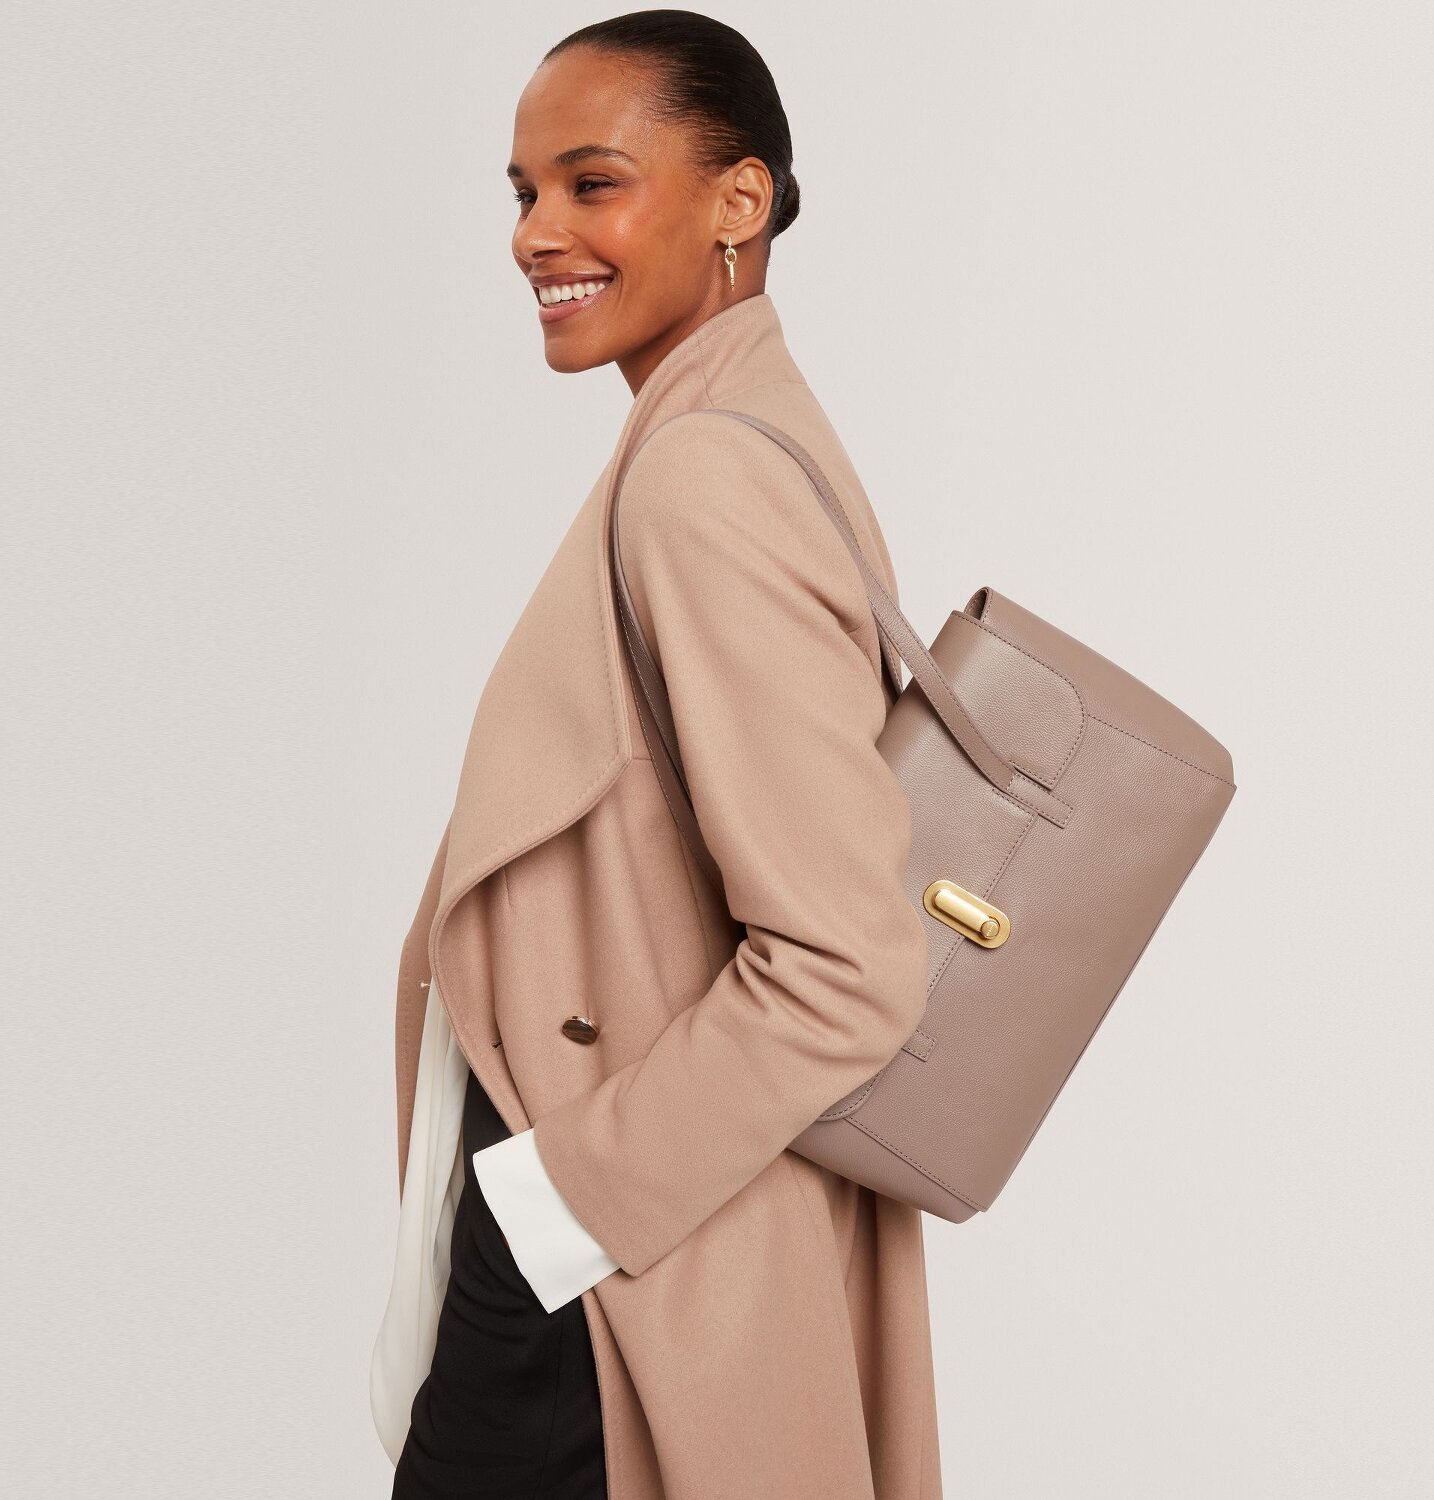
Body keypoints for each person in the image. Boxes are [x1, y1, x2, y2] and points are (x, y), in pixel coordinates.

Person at [371, 11, 944, 1498]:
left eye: (592, 183)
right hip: (631, 1232)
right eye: (523, 193)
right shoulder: (727, 433)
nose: (534, 234)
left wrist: (555, 1205)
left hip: (621, 1262)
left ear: (739, 201)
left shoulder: (704, 475)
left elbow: (846, 964)